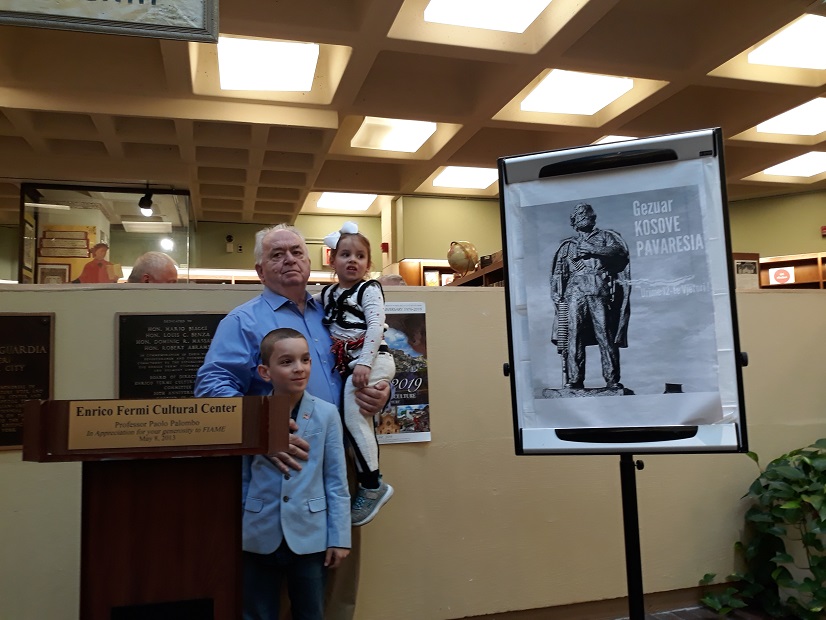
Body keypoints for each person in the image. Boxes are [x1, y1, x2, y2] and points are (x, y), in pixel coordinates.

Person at [194, 223, 389, 620]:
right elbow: (211, 386)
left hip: (338, 459)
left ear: (311, 261)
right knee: (272, 583)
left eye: (297, 252)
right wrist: (262, 428)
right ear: (259, 270)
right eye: (277, 254)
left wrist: (380, 392)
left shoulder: (331, 312)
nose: (289, 260)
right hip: (280, 460)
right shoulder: (243, 320)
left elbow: (364, 360)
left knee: (336, 577)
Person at [242, 327, 350, 620]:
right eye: (287, 361)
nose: (299, 368)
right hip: (258, 532)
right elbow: (244, 477)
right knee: (257, 612)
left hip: (310, 535)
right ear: (265, 372)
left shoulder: (327, 414)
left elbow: (336, 479)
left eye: (305, 359)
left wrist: (339, 536)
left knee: (310, 612)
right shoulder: (252, 412)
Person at [320, 221, 395, 526]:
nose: (353, 260)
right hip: (352, 362)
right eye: (345, 254)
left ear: (368, 264)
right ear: (332, 260)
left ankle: (373, 485)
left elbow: (376, 326)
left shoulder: (369, 289)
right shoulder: (327, 293)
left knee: (353, 419)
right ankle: (370, 480)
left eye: (360, 256)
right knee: (357, 420)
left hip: (372, 359)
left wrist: (364, 362)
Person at [550, 202, 631, 390]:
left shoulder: (606, 236)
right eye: (579, 215)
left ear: (593, 218)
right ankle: (574, 379)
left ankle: (612, 379)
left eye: (586, 214)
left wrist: (593, 249)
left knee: (605, 334)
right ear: (574, 222)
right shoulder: (567, 246)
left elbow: (620, 252)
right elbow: (557, 274)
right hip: (574, 292)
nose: (584, 217)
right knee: (573, 336)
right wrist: (556, 294)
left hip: (598, 287)